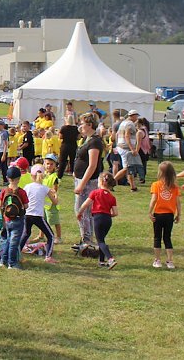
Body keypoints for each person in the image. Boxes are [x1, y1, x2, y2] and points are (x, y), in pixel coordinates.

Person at [73, 115, 103, 250]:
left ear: (90, 125)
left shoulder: (95, 142)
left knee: (82, 210)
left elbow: (92, 165)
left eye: (83, 123)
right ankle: (86, 237)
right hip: (80, 178)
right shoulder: (86, 140)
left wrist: (82, 184)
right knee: (82, 210)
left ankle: (87, 240)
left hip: (88, 182)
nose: (80, 126)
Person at [77, 173, 119, 269]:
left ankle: (110, 259)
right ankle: (101, 261)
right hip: (108, 220)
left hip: (98, 218)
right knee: (102, 240)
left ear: (101, 182)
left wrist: (79, 213)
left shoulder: (95, 193)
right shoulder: (112, 197)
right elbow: (115, 213)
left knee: (100, 241)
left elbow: (85, 204)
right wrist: (108, 215)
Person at [19, 165, 59, 263]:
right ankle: (48, 257)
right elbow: (55, 202)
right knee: (51, 235)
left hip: (27, 214)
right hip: (37, 215)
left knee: (26, 233)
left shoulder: (27, 187)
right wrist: (56, 194)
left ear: (32, 175)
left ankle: (17, 253)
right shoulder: (45, 188)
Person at [148, 161, 181, 269]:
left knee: (157, 237)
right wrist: (178, 214)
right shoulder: (175, 187)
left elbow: (154, 200)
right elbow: (178, 202)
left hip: (158, 214)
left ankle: (157, 260)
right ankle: (170, 261)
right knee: (167, 237)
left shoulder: (156, 185)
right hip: (169, 215)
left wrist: (149, 211)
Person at [0, 166, 29, 269]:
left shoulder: (4, 191)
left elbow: (1, 204)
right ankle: (12, 263)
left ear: (7, 178)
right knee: (14, 243)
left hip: (7, 220)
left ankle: (3, 260)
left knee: (7, 240)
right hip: (18, 220)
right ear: (19, 178)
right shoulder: (21, 192)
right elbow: (26, 206)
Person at [42, 154, 62, 243]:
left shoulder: (55, 177)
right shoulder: (44, 175)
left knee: (55, 221)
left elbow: (54, 190)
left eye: (51, 164)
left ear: (55, 165)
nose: (49, 166)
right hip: (44, 202)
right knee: (42, 220)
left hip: (52, 203)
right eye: (47, 164)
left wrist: (48, 191)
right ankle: (41, 235)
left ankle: (58, 237)